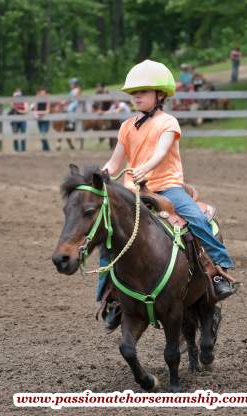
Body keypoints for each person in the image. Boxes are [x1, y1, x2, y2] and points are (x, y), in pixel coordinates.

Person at [97, 59, 236, 331]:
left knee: (197, 218)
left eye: (144, 92)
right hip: (132, 191)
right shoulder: (127, 126)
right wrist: (101, 174)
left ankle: (219, 268)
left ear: (160, 95)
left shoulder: (168, 122)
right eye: (134, 93)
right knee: (107, 236)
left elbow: (160, 154)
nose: (137, 97)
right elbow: (114, 163)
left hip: (167, 186)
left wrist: (142, 169)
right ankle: (110, 298)